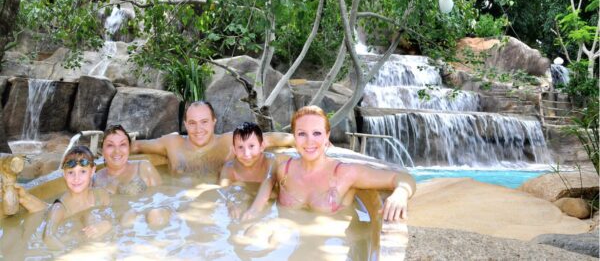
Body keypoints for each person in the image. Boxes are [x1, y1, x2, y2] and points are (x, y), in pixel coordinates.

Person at [245, 105, 416, 222]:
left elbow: (402, 178)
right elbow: (266, 189)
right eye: (302, 134)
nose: (309, 141)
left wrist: (400, 194)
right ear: (294, 137)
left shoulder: (345, 173)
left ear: (327, 136)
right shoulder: (285, 170)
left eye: (317, 133)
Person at [131, 101, 294, 175]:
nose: (198, 129)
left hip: (220, 206)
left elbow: (269, 139)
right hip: (179, 207)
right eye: (192, 123)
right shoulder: (172, 143)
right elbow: (137, 146)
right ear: (186, 125)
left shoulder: (229, 141)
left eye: (204, 122)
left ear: (214, 122)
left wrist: (303, 142)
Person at [17, 146, 112, 250]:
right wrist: (70, 253)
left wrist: (106, 224)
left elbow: (114, 216)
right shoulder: (60, 208)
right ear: (64, 174)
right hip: (75, 246)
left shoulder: (101, 195)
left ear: (92, 171)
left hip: (98, 245)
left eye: (83, 171)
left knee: (91, 218)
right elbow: (48, 237)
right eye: (71, 172)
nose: (76, 178)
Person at [93, 124, 170, 228]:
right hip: (117, 224)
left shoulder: (143, 167)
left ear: (129, 148)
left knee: (154, 217)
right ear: (102, 150)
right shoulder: (96, 178)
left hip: (144, 221)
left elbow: (163, 198)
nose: (117, 151)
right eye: (110, 145)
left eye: (122, 145)